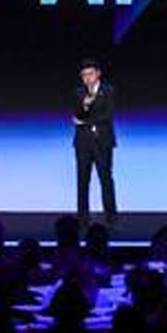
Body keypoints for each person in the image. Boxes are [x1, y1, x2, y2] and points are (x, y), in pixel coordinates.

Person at [70, 56, 118, 226]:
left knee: (106, 179)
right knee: (82, 180)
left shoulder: (108, 90)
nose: (87, 78)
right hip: (83, 143)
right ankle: (82, 217)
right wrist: (84, 105)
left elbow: (107, 115)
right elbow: (76, 114)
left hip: (102, 141)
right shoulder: (79, 93)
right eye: (84, 75)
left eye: (90, 74)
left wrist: (84, 122)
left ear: (98, 74)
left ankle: (111, 216)